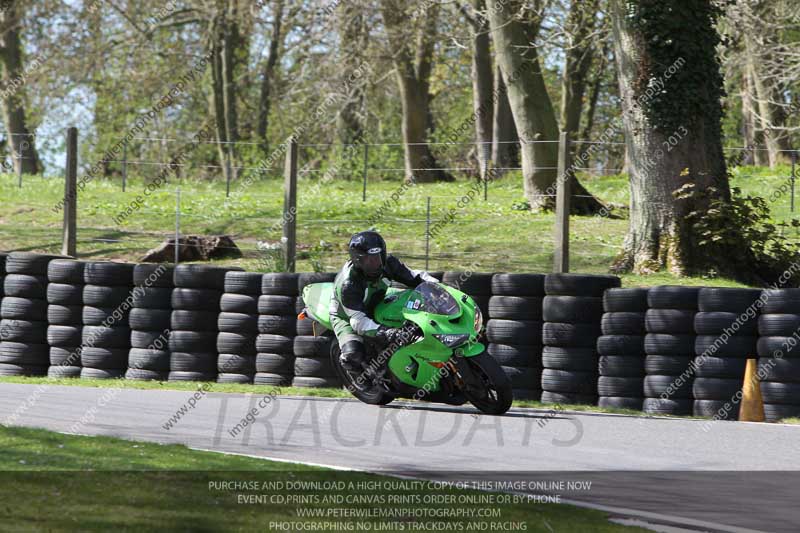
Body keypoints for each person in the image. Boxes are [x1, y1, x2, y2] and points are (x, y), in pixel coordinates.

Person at [330, 231, 437, 381]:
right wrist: (386, 332)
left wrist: (438, 286)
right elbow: (358, 321)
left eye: (377, 257)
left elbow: (414, 276)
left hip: (379, 301)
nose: (376, 263)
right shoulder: (349, 284)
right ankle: (357, 376)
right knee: (353, 354)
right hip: (348, 315)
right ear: (358, 261)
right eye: (369, 260)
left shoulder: (388, 263)